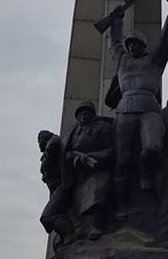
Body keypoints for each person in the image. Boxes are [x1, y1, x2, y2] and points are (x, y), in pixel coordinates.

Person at [107, 0, 168, 218]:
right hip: (125, 110)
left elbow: (167, 39)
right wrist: (117, 20)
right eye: (130, 44)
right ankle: (120, 207)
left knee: (153, 147)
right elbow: (114, 42)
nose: (132, 46)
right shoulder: (122, 59)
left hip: (149, 110)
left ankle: (146, 173)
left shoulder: (155, 60)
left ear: (143, 45)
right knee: (121, 160)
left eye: (136, 43)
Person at [39, 102, 114, 242]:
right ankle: (69, 235)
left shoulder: (103, 128)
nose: (83, 115)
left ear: (93, 113)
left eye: (87, 111)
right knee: (47, 216)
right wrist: (71, 157)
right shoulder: (71, 132)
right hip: (72, 179)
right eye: (80, 112)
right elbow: (62, 150)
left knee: (98, 191)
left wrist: (91, 157)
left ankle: (97, 226)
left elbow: (111, 152)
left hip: (96, 171)